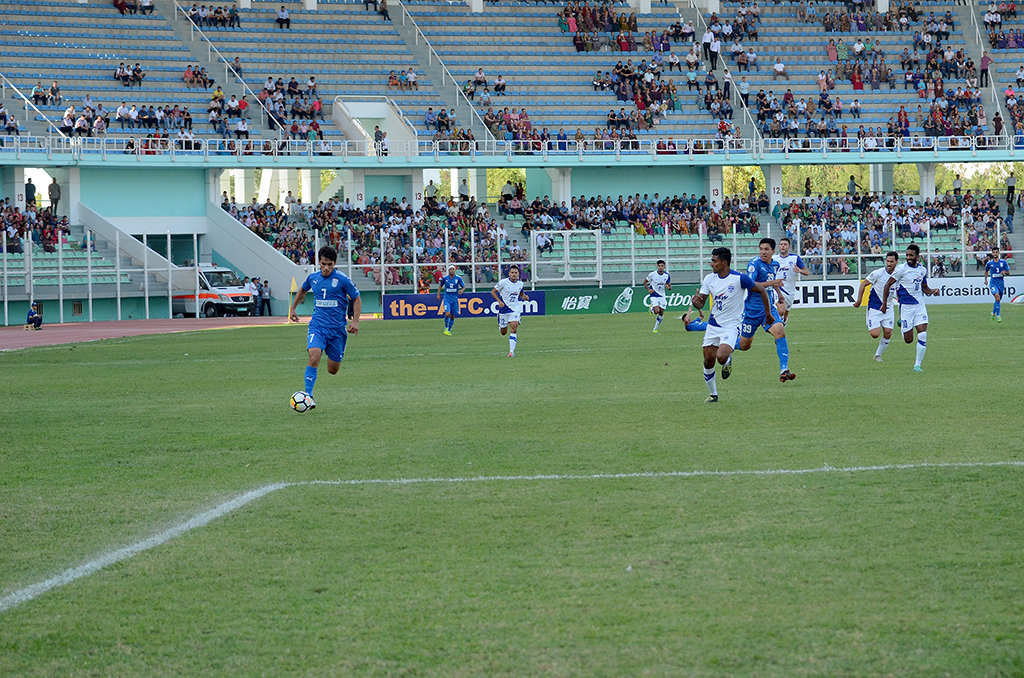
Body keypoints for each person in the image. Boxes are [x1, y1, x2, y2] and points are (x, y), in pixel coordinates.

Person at [688, 247, 771, 403]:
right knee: (707, 360)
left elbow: (761, 290)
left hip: (731, 325)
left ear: (724, 263)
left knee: (721, 356)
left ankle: (727, 361)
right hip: (713, 325)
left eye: (714, 261)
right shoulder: (709, 279)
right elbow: (702, 304)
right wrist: (696, 302)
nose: (711, 264)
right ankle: (713, 395)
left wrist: (768, 314)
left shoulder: (739, 278)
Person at [288, 246, 361, 408]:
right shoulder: (313, 278)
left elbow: (356, 298)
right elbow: (302, 290)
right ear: (318, 262)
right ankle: (309, 396)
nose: (326, 267)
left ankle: (333, 356)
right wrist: (293, 308)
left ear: (334, 263)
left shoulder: (342, 279)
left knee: (332, 370)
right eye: (323, 264)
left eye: (330, 264)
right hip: (317, 327)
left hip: (336, 330)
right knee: (314, 357)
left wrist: (355, 321)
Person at [726, 237, 795, 383]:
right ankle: (727, 348)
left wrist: (780, 294)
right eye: (761, 249)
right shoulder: (754, 264)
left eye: (766, 249)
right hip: (751, 311)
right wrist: (771, 283)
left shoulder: (775, 264)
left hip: (767, 309)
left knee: (780, 331)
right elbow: (751, 285)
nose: (763, 252)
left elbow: (773, 280)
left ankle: (784, 369)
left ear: (772, 251)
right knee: (745, 346)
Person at [881, 244, 940, 372]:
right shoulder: (901, 269)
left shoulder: (922, 270)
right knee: (908, 340)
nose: (908, 257)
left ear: (917, 257)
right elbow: (887, 285)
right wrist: (884, 304)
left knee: (923, 334)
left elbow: (924, 288)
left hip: (919, 305)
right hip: (906, 308)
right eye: (907, 255)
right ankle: (903, 322)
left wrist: (933, 291)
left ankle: (917, 365)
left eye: (911, 255)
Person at [853, 251, 899, 361]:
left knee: (888, 332)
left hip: (888, 306)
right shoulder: (878, 273)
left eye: (891, 262)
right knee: (875, 334)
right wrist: (859, 300)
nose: (889, 263)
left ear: (896, 262)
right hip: (874, 306)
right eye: (887, 261)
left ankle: (878, 355)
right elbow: (864, 284)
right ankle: (871, 320)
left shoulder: (898, 274)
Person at [491, 264, 529, 357]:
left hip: (514, 309)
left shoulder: (520, 284)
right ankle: (501, 325)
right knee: (503, 332)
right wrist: (499, 301)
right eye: (512, 273)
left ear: (518, 274)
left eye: (515, 273)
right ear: (509, 273)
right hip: (504, 310)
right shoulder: (503, 282)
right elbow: (493, 292)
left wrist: (524, 297)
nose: (514, 274)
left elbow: (521, 294)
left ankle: (511, 352)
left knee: (514, 327)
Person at [772, 236, 809, 324]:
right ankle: (777, 328)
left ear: (789, 247)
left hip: (790, 290)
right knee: (780, 311)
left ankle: (782, 324)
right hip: (778, 289)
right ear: (779, 246)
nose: (783, 246)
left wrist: (799, 270)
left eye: (785, 244)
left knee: (785, 315)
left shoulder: (795, 258)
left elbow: (806, 272)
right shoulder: (774, 258)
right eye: (781, 244)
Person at [644, 259, 671, 332]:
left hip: (662, 295)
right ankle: (651, 309)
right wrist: (649, 290)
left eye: (662, 266)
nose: (660, 267)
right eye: (659, 266)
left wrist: (668, 288)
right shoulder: (652, 274)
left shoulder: (667, 275)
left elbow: (669, 286)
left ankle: (655, 329)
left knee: (661, 312)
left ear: (664, 267)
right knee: (656, 311)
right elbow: (645, 282)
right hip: (654, 294)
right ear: (657, 267)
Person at [437, 264, 465, 335]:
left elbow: (464, 287)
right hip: (447, 298)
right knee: (447, 313)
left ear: (455, 270)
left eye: (453, 269)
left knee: (452, 315)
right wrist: (438, 294)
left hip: (454, 299)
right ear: (448, 270)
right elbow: (440, 286)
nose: (452, 270)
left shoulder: (458, 278)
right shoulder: (445, 278)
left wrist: (462, 290)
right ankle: (446, 327)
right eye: (450, 269)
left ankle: (449, 330)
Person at [984, 247, 1010, 322]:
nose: (995, 254)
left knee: (998, 300)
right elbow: (986, 271)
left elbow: (1008, 272)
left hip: (1001, 284)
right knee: (997, 297)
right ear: (992, 253)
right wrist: (985, 279)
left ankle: (993, 313)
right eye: (994, 252)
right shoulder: (989, 263)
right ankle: (998, 315)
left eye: (996, 252)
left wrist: (1004, 273)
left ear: (998, 253)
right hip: (993, 283)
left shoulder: (1003, 262)